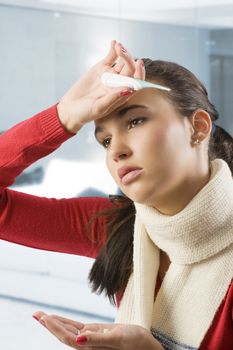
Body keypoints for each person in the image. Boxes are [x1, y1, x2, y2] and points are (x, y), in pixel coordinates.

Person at [0, 40, 232, 350]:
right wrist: (64, 116)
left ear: (198, 127)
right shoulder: (115, 227)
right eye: (106, 140)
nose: (117, 150)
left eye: (136, 121)